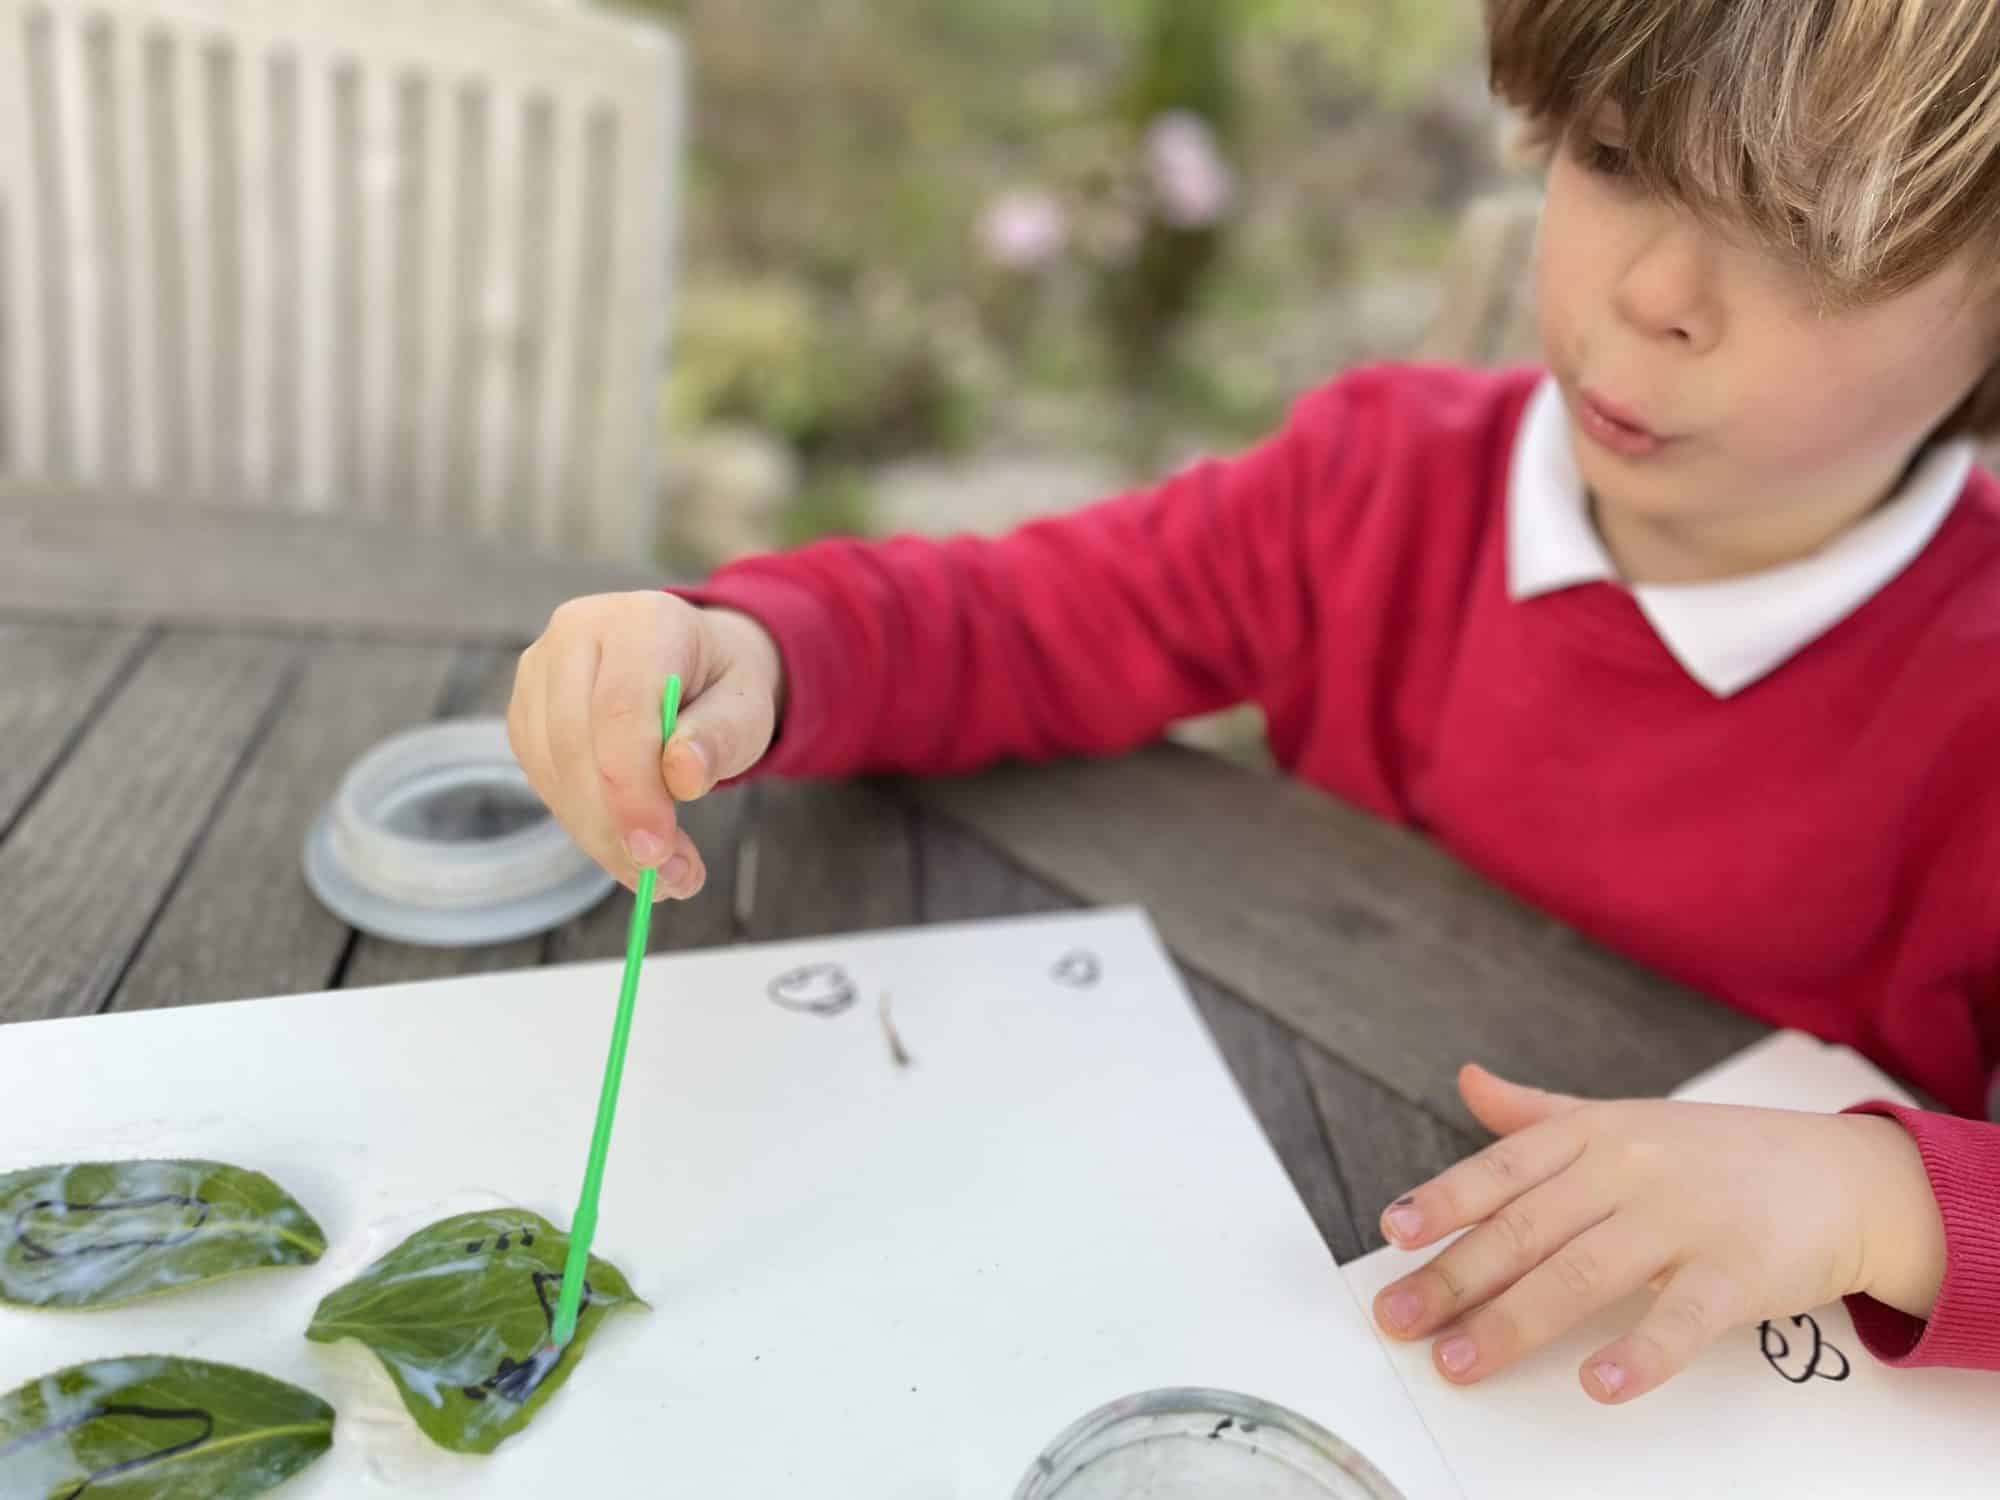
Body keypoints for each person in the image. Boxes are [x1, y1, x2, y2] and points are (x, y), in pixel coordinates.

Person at [508, 0, 2000, 1403]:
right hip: (1267, 1305)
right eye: (1616, 157)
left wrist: (1878, 1203)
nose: (1655, 292)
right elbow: (1021, 622)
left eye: (1807, 238)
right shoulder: (1374, 486)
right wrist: (757, 651)